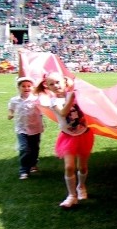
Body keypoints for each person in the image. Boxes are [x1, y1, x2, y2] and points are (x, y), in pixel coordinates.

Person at [36, 73, 94, 208]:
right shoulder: (53, 101)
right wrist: (71, 98)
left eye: (58, 82)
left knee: (82, 166)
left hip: (84, 134)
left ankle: (81, 186)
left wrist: (77, 93)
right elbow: (63, 113)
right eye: (51, 84)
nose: (56, 86)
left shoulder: (75, 95)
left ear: (65, 82)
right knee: (69, 167)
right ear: (48, 87)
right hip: (68, 138)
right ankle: (72, 195)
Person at [7, 76, 44, 180]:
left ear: (32, 88)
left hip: (35, 127)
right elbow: (11, 108)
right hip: (21, 128)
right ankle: (24, 170)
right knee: (24, 148)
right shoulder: (14, 100)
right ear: (18, 87)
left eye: (29, 86)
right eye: (23, 86)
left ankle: (33, 164)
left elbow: (44, 108)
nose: (26, 88)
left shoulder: (36, 99)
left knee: (34, 148)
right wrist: (10, 114)